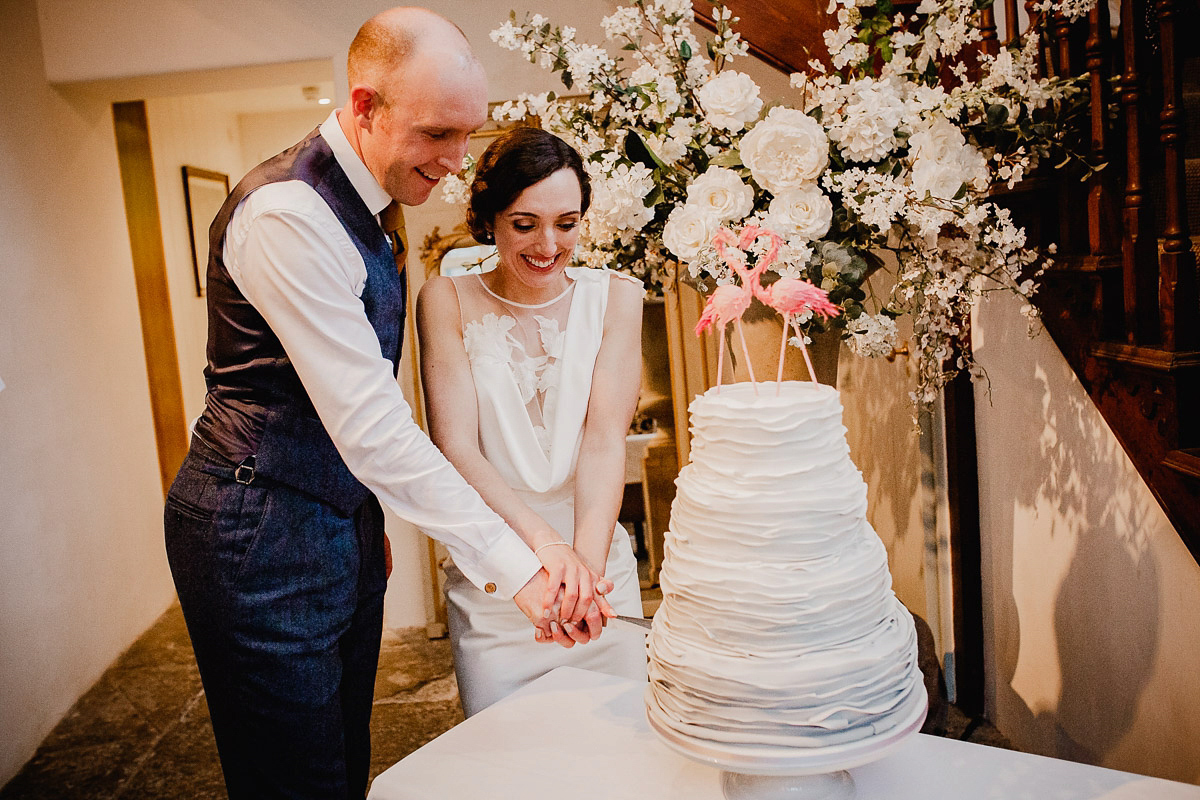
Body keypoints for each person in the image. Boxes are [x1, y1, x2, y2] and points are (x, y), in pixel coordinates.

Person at [162, 9, 611, 799]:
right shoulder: (287, 215)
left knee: (342, 758)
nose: (457, 161)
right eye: (438, 134)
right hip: (256, 531)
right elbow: (373, 428)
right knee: (295, 779)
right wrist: (519, 570)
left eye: (468, 134)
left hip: (329, 520)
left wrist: (356, 523)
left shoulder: (374, 200)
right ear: (365, 105)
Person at [416, 126, 648, 716]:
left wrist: (585, 579)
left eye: (567, 224)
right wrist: (546, 551)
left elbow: (602, 442)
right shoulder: (443, 299)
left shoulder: (616, 298)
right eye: (525, 224)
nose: (548, 244)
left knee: (619, 754)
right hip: (499, 569)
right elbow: (457, 447)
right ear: (489, 218)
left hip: (594, 565)